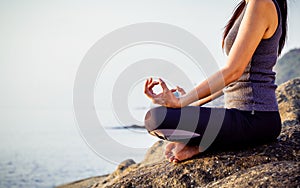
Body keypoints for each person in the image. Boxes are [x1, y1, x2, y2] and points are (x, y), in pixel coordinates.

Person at [144, 0, 288, 163]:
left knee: (156, 119)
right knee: (158, 117)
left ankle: (204, 145)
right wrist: (190, 104)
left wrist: (181, 101)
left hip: (256, 118)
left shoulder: (260, 3)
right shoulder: (247, 6)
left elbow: (232, 71)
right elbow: (232, 80)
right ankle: (204, 142)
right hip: (242, 115)